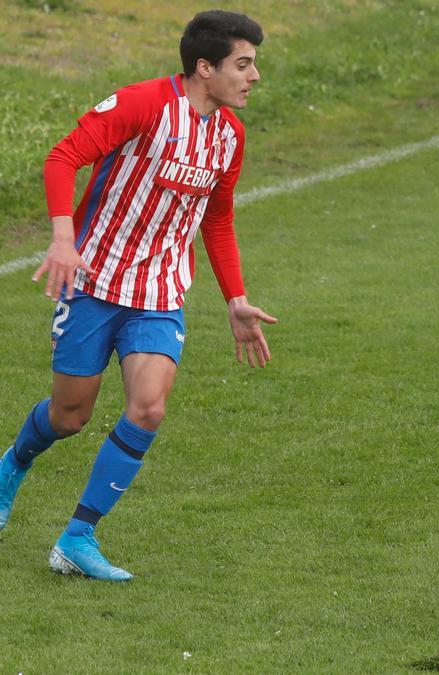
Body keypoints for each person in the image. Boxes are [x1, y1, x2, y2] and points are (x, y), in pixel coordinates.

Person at [0, 10, 276, 582]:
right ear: (205, 67)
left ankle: (78, 537)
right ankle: (12, 466)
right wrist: (60, 238)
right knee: (69, 416)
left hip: (160, 291)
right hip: (94, 283)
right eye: (243, 65)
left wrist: (235, 298)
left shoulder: (230, 136)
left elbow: (216, 220)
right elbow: (62, 157)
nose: (253, 77)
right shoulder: (142, 104)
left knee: (149, 406)